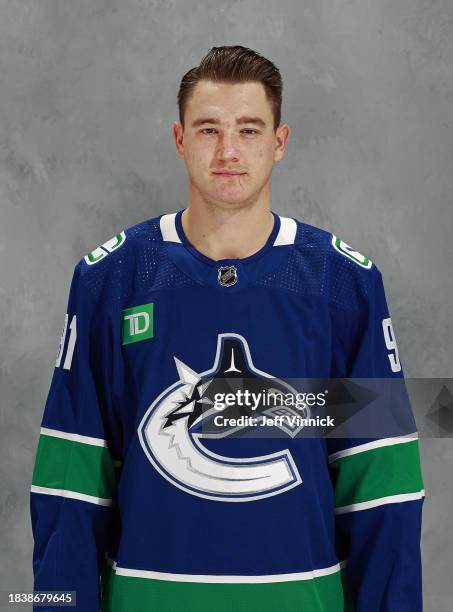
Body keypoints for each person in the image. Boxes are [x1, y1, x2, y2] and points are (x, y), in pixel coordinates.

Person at [30, 45, 425, 611]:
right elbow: (69, 487)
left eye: (249, 129)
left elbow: (383, 489)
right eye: (209, 129)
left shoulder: (344, 285)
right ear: (179, 139)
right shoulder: (110, 280)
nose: (229, 151)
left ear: (279, 142)